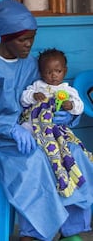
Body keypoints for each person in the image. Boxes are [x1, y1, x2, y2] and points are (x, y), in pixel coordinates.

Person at [0, 0, 93, 241]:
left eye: (32, 38)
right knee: (34, 160)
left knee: (71, 153)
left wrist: (68, 114)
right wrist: (8, 128)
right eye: (22, 39)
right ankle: (35, 233)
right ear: (5, 37)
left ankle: (72, 228)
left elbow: (50, 90)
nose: (28, 44)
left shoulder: (30, 64)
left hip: (35, 131)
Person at [19, 48, 92, 199]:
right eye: (48, 72)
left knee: (70, 144)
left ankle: (68, 180)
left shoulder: (67, 90)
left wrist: (70, 106)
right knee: (28, 129)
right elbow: (24, 99)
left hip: (56, 127)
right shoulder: (37, 86)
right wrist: (33, 96)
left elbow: (80, 106)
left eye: (57, 71)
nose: (53, 76)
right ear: (41, 73)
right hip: (36, 125)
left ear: (64, 71)